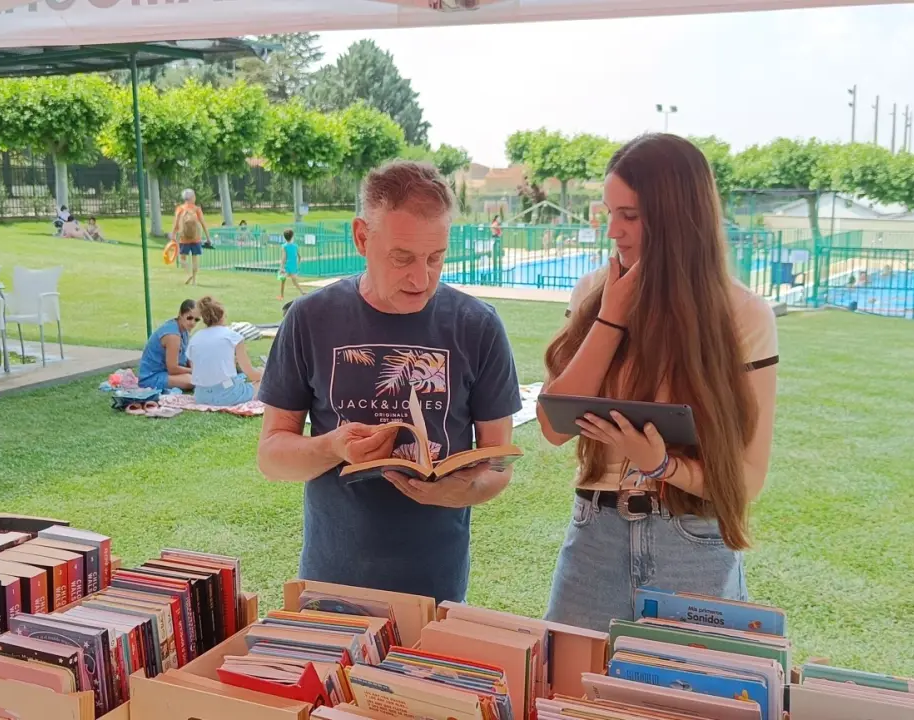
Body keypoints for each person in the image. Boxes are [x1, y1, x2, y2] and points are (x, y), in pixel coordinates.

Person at [538, 134, 778, 633]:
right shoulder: (592, 292)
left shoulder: (744, 315)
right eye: (610, 213)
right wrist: (611, 316)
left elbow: (747, 477)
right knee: (568, 679)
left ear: (678, 219)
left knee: (690, 683)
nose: (613, 232)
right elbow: (553, 425)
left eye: (630, 215)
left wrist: (662, 465)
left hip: (692, 541)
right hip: (595, 534)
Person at [256, 160, 522, 603]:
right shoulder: (310, 318)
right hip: (331, 581)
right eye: (402, 258)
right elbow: (271, 458)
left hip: (435, 586)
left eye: (436, 257)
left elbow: (499, 463)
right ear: (362, 237)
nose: (422, 278)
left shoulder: (478, 326)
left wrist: (462, 491)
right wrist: (333, 447)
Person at [186, 296, 263, 407]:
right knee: (264, 383)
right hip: (227, 394)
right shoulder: (233, 337)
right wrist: (264, 374)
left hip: (201, 395)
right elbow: (250, 374)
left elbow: (197, 371)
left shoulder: (195, 338)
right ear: (222, 315)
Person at [138, 299, 197, 392]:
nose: (193, 323)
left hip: (166, 373)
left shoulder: (184, 329)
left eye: (196, 319)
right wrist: (194, 371)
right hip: (152, 377)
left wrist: (195, 367)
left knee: (198, 376)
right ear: (180, 314)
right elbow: (173, 369)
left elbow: (188, 356)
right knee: (192, 380)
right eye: (189, 318)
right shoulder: (172, 335)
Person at [278, 229, 305, 300]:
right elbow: (299, 256)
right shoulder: (295, 246)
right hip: (293, 266)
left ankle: (281, 296)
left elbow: (284, 258)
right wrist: (298, 263)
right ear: (292, 236)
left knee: (283, 281)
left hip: (287, 266)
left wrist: (281, 268)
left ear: (285, 237)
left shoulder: (284, 246)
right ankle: (302, 292)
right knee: (294, 281)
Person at [178, 214, 203, 286]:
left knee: (182, 259)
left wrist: (177, 240)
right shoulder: (195, 215)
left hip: (185, 240)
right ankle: (194, 281)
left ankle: (189, 274)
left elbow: (180, 230)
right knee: (194, 260)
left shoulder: (183, 215)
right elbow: (199, 228)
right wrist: (199, 238)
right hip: (196, 240)